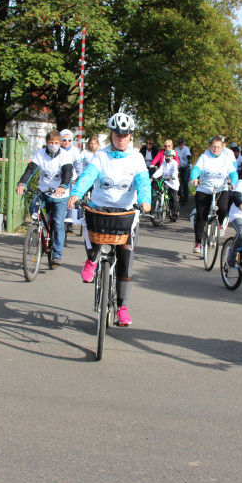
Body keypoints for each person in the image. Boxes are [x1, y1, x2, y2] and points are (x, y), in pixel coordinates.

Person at [67, 113, 151, 327]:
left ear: (130, 136)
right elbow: (88, 175)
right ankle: (91, 260)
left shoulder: (136, 157)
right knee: (91, 225)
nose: (121, 138)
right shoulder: (101, 155)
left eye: (125, 135)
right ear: (111, 135)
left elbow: (143, 182)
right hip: (101, 209)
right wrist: (76, 192)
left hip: (126, 214)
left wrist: (145, 201)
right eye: (117, 134)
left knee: (125, 261)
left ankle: (122, 308)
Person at [16, 130, 74, 268]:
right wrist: (22, 183)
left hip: (60, 195)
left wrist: (63, 186)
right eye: (50, 143)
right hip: (43, 191)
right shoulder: (40, 154)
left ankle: (57, 255)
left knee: (58, 224)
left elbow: (68, 172)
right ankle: (39, 230)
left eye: (56, 143)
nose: (53, 145)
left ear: (60, 144)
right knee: (33, 209)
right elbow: (31, 169)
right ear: (46, 143)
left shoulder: (65, 156)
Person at [190, 136, 239, 254]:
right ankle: (198, 242)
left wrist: (233, 182)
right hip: (204, 188)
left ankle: (221, 223)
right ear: (210, 146)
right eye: (213, 147)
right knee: (201, 216)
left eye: (218, 147)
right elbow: (196, 169)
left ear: (222, 148)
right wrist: (194, 178)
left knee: (223, 207)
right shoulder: (204, 157)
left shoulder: (226, 159)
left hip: (220, 189)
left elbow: (233, 173)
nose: (215, 149)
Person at [152, 148, 180, 217]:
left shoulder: (174, 163)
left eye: (169, 156)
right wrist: (153, 177)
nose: (167, 157)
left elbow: (175, 171)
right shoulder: (164, 163)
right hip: (165, 181)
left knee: (174, 197)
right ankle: (161, 202)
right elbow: (160, 170)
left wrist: (172, 177)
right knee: (160, 190)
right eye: (166, 156)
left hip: (173, 183)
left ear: (172, 157)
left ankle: (174, 212)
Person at [175, 138, 192, 202]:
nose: (180, 145)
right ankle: (180, 193)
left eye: (181, 143)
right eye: (179, 143)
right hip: (180, 167)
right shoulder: (176, 149)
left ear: (183, 143)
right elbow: (175, 157)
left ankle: (186, 195)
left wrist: (188, 162)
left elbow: (189, 157)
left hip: (186, 166)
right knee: (180, 181)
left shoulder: (186, 149)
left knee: (185, 181)